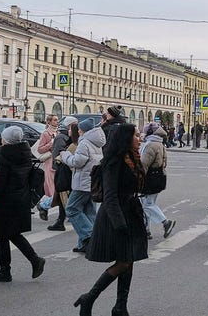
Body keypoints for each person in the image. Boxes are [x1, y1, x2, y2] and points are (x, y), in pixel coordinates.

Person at [74, 123, 147, 316]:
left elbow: (138, 185)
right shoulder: (114, 162)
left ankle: (120, 307)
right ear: (126, 138)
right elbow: (110, 196)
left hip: (130, 213)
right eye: (136, 136)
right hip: (116, 216)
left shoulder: (132, 158)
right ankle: (89, 297)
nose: (139, 139)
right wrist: (119, 223)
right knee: (123, 262)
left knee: (129, 261)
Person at [0, 126, 46, 282]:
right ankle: (11, 268)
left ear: (6, 140)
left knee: (6, 234)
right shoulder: (24, 152)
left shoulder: (5, 155)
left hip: (7, 201)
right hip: (21, 198)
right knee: (8, 234)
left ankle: (15, 267)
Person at [60, 118, 106, 253]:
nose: (78, 130)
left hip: (82, 183)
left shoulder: (84, 143)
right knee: (89, 212)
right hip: (92, 182)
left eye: (80, 128)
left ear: (84, 130)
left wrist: (65, 155)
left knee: (72, 209)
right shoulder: (97, 142)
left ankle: (89, 236)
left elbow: (77, 162)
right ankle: (85, 244)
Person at [139, 123, 175, 240]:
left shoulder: (150, 145)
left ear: (150, 133)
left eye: (144, 131)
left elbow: (144, 164)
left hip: (150, 178)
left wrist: (138, 178)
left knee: (147, 204)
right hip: (158, 177)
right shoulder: (159, 143)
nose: (142, 134)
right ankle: (146, 229)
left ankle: (165, 222)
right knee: (147, 203)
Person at [43, 117, 75, 230]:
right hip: (64, 171)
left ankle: (61, 219)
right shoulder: (62, 137)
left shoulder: (72, 137)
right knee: (62, 195)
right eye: (74, 125)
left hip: (70, 171)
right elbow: (58, 154)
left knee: (64, 195)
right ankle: (60, 219)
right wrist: (57, 167)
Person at [36, 115, 65, 222]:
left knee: (58, 188)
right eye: (55, 120)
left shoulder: (58, 132)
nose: (57, 122)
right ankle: (44, 206)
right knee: (54, 189)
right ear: (49, 122)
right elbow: (40, 149)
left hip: (58, 161)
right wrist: (51, 144)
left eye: (57, 120)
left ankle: (45, 207)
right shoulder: (45, 134)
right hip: (49, 162)